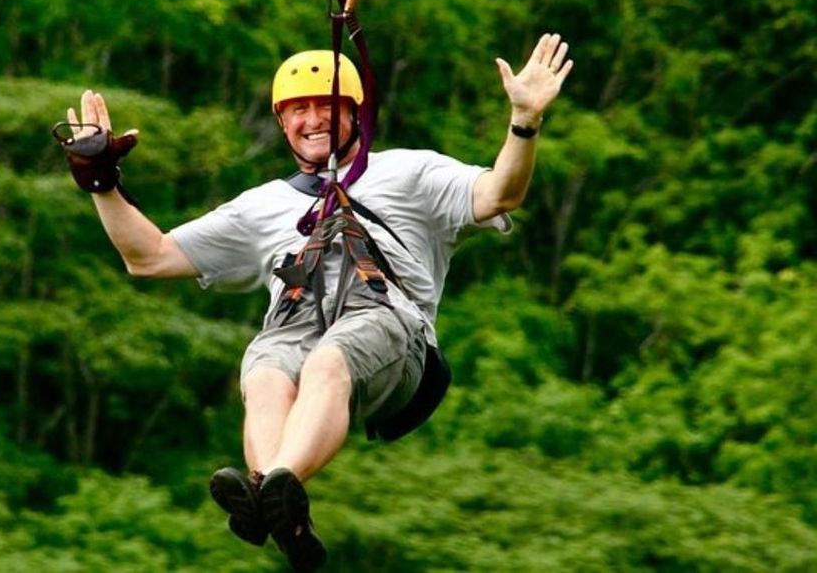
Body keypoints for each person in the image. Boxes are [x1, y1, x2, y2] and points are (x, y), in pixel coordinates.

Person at [60, 33, 573, 571]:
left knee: (329, 360)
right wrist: (100, 181)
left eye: (325, 106)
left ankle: (272, 483)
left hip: (390, 330)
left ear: (355, 113)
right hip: (296, 323)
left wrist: (524, 122)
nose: (312, 120)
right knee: (264, 368)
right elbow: (149, 256)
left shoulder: (410, 173)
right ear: (282, 123)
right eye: (298, 110)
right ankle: (276, 505)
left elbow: (500, 193)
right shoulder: (262, 206)